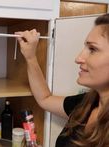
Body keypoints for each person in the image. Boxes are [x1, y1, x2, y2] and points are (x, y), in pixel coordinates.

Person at [15, 13, 109, 147]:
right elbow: (45, 98)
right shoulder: (86, 104)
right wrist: (30, 57)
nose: (78, 58)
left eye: (93, 49)